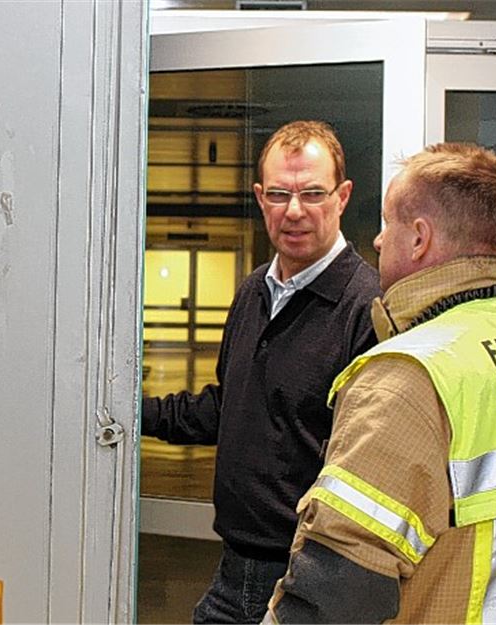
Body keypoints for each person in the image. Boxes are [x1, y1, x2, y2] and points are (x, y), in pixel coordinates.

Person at [264, 142, 496, 623]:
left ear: (419, 238)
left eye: (387, 224)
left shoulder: (406, 378)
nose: (376, 241)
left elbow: (338, 586)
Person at [141, 120, 381, 624]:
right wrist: (126, 410)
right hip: (233, 572)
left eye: (312, 193)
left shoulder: (367, 308)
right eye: (279, 193)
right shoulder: (254, 292)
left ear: (343, 197)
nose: (294, 211)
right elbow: (230, 409)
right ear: (259, 196)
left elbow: (370, 469)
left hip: (311, 584)